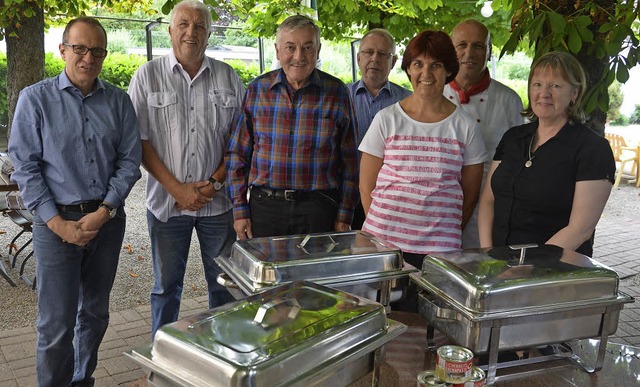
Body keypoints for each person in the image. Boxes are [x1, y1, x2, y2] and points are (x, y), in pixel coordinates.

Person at [8, 17, 142, 386]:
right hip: (55, 225)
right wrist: (57, 223)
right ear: (63, 49)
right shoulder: (35, 99)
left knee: (96, 313)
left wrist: (105, 211)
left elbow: (129, 162)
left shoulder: (118, 101)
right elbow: (26, 166)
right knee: (56, 323)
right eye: (80, 48)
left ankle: (82, 380)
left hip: (107, 223)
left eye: (97, 50)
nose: (88, 58)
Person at [128, 0, 245, 338]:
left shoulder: (228, 77)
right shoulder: (146, 76)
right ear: (170, 30)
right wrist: (177, 189)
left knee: (224, 286)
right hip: (166, 206)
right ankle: (162, 362)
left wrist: (215, 183)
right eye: (183, 24)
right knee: (165, 289)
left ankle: (225, 357)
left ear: (209, 33)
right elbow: (139, 141)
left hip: (218, 205)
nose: (190, 32)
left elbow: (239, 143)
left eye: (199, 26)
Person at [359, 29, 486, 270]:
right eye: (418, 64)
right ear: (408, 69)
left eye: (435, 65)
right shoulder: (386, 119)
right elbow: (366, 186)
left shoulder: (465, 126)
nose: (425, 73)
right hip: (384, 244)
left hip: (440, 249)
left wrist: (444, 232)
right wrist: (381, 235)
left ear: (449, 70)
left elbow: (470, 196)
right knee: (385, 306)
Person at [226, 15, 358, 239]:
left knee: (314, 274)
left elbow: (351, 163)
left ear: (318, 50)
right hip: (265, 208)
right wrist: (240, 211)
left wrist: (344, 216)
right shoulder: (258, 90)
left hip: (319, 210)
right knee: (267, 273)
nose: (299, 56)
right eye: (290, 47)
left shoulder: (336, 92)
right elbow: (238, 155)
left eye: (308, 47)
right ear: (277, 51)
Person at [477, 51, 615, 257]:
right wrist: (487, 253)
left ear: (574, 93)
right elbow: (488, 200)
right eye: (537, 84)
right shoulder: (513, 138)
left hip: (554, 275)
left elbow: (580, 229)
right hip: (500, 267)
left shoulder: (592, 149)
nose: (544, 93)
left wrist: (526, 266)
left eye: (555, 86)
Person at [445, 19, 524, 248]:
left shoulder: (509, 101)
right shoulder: (434, 94)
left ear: (489, 52)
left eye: (479, 46)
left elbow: (518, 161)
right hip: (441, 208)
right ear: (451, 51)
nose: (469, 52)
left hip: (487, 208)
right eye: (462, 45)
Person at [348, 28, 412, 229]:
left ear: (393, 62)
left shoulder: (409, 102)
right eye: (369, 52)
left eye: (383, 54)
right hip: (347, 199)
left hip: (394, 201)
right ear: (359, 58)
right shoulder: (340, 97)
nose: (374, 59)